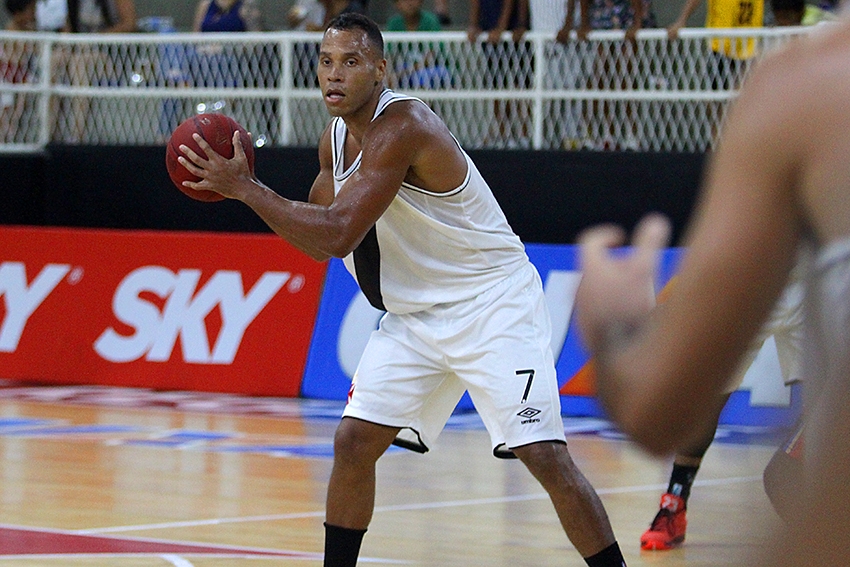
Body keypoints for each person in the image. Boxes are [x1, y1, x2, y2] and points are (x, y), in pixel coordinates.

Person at [176, 13, 628, 567]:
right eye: (326, 61)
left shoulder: (404, 125)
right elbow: (319, 244)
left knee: (545, 456)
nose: (334, 74)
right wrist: (245, 191)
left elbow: (338, 231)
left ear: (380, 70)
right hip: (416, 317)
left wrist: (247, 189)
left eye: (351, 62)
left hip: (492, 303)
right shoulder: (334, 142)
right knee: (353, 443)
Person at [574, 9, 850, 566]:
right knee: (772, 448)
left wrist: (611, 327)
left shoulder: (805, 82)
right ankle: (675, 501)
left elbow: (653, 410)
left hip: (803, 282)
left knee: (789, 474)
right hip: (788, 276)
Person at [556, 0, 656, 149]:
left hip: (628, 11)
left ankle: (631, 134)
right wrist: (583, 24)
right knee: (600, 75)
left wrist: (637, 23)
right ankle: (601, 134)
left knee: (626, 74)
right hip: (603, 10)